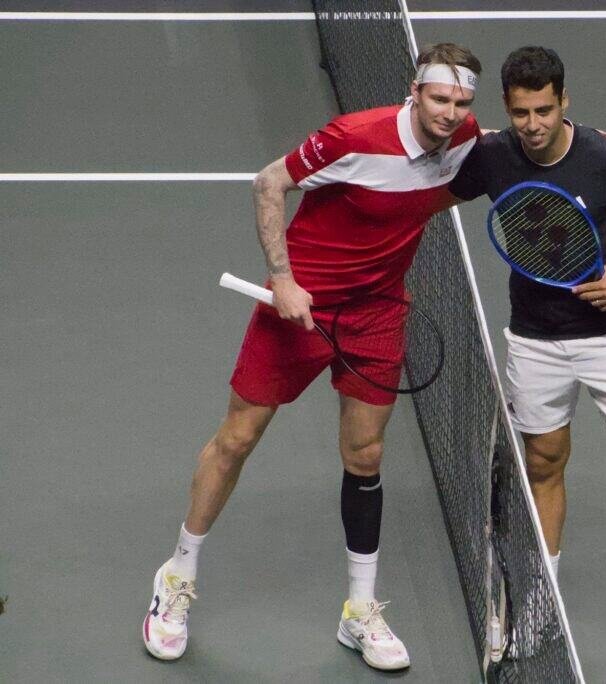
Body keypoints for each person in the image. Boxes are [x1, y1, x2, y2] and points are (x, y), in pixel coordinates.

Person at [142, 43, 483, 673]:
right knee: (238, 438)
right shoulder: (352, 137)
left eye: (462, 101)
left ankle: (360, 610)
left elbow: (502, 163)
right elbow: (269, 180)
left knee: (366, 454)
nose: (450, 112)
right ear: (415, 90)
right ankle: (176, 579)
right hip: (298, 305)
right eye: (440, 98)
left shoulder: (466, 140)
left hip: (378, 312)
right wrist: (283, 276)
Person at [446, 46, 606, 679]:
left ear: (565, 104)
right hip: (535, 340)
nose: (533, 123)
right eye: (521, 112)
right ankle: (540, 598)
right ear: (506, 109)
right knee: (544, 463)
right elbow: (427, 190)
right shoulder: (493, 157)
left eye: (544, 110)